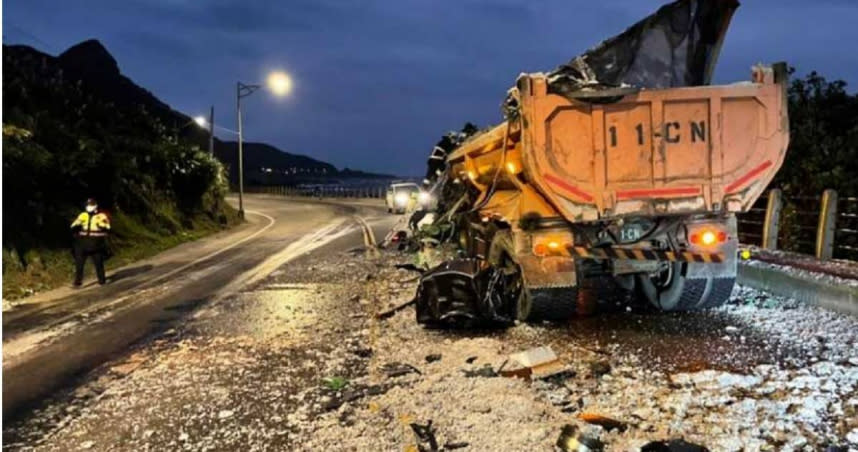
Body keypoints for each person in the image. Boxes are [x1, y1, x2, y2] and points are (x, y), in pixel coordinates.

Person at [70, 198, 111, 286]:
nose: (89, 207)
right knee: (79, 264)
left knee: (98, 263)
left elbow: (107, 227)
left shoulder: (101, 216)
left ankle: (102, 281)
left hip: (96, 244)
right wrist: (76, 228)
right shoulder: (83, 215)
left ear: (96, 205)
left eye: (91, 205)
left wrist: (101, 225)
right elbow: (73, 226)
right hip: (82, 243)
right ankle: (77, 282)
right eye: (88, 205)